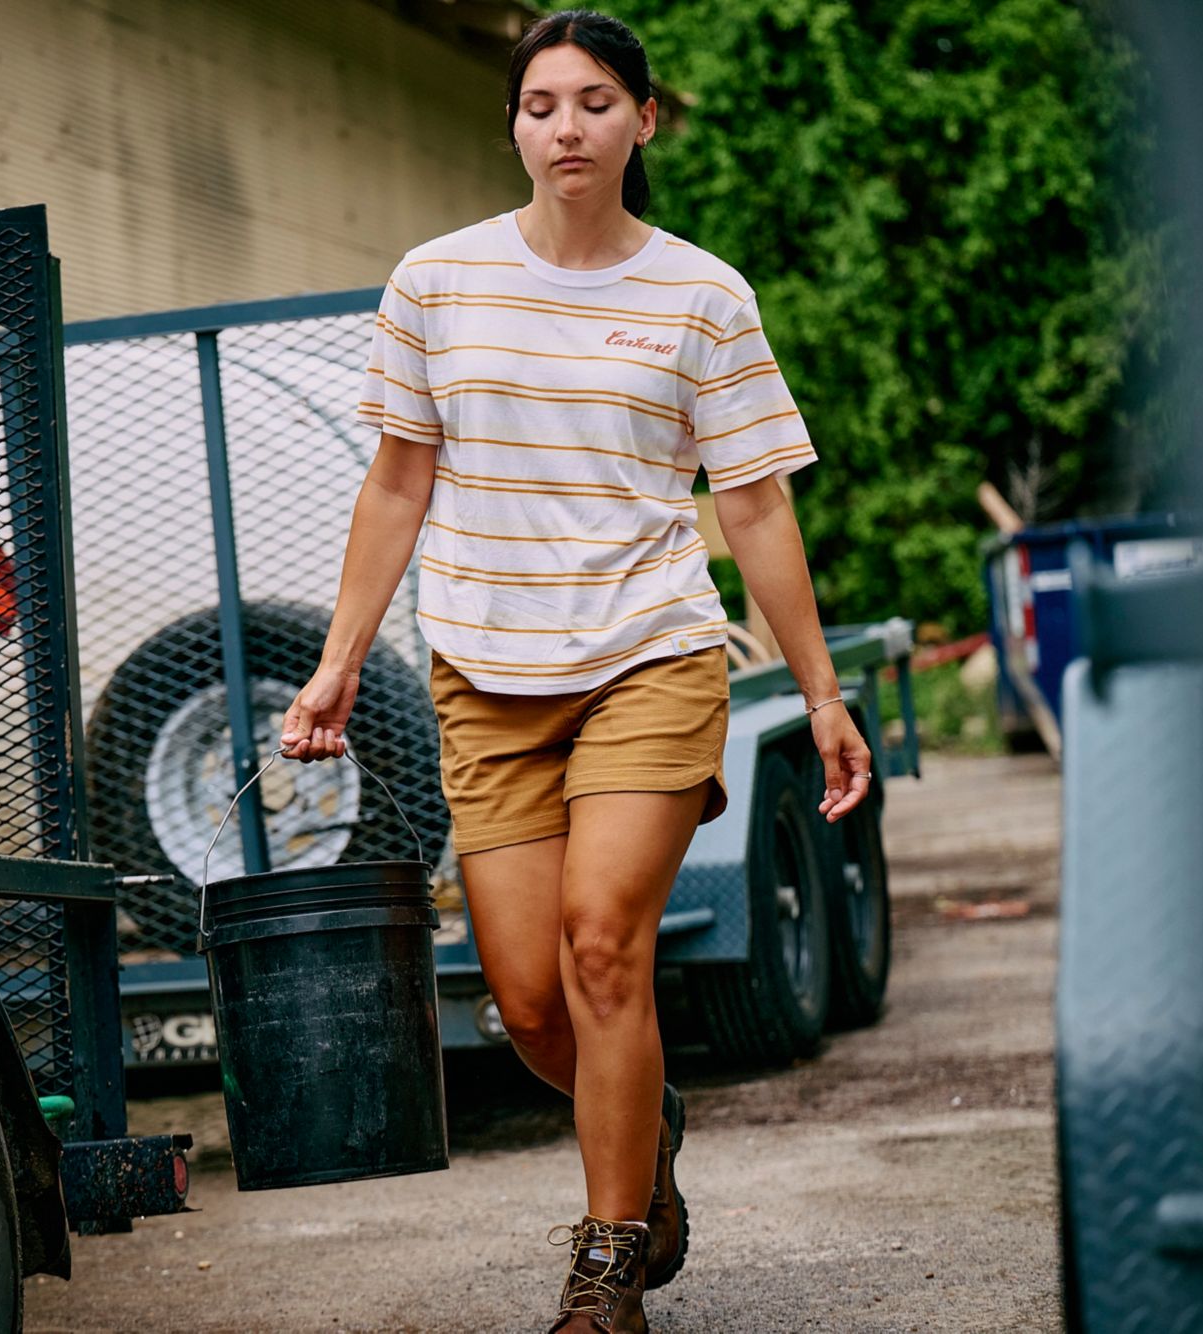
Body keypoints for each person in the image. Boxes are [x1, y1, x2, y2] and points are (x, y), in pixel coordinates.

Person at [279, 9, 872, 1331]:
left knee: (606, 944)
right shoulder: (436, 282)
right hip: (487, 672)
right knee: (533, 998)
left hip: (651, 652)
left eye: (596, 101)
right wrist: (336, 665)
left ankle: (607, 1263)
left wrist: (821, 691)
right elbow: (396, 485)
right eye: (541, 104)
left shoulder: (701, 294)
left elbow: (758, 506)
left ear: (642, 120)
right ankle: (644, 1120)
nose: (566, 127)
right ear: (514, 126)